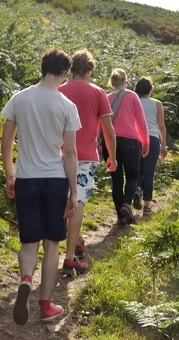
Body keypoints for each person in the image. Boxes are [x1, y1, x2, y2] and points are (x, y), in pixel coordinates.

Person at [1, 48, 80, 325]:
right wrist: (73, 190)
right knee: (52, 244)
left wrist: (11, 175)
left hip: (26, 178)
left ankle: (25, 280)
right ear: (64, 72)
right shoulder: (66, 106)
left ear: (42, 68)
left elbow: (6, 140)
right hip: (55, 180)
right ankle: (46, 306)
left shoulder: (19, 99)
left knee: (29, 241)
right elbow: (69, 153)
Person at [58, 49, 117, 276]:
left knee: (62, 201)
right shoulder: (98, 92)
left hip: (60, 153)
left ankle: (78, 241)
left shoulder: (59, 90)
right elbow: (108, 131)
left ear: (71, 69)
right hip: (85, 157)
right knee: (77, 203)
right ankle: (69, 258)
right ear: (89, 71)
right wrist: (111, 156)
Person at [101, 69, 149, 226]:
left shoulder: (107, 98)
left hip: (110, 142)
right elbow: (141, 122)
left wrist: (99, 143)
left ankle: (120, 217)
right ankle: (126, 204)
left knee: (116, 180)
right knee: (132, 177)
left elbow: (100, 123)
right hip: (130, 142)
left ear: (112, 83)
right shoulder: (132, 96)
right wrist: (145, 142)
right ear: (125, 81)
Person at [132, 77, 168, 216]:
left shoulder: (133, 101)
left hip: (135, 139)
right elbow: (161, 126)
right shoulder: (157, 104)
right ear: (150, 89)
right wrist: (163, 145)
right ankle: (147, 206)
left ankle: (137, 189)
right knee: (149, 173)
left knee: (138, 171)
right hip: (152, 138)